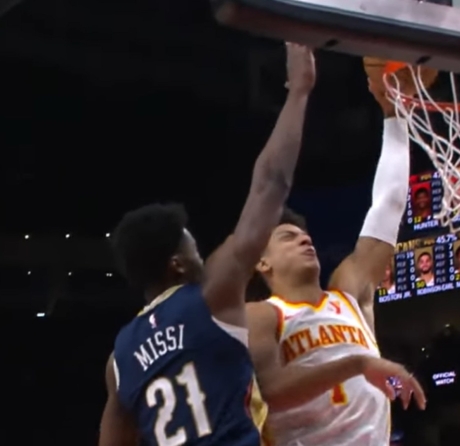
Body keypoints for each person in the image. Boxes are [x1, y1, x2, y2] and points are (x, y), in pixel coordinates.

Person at [99, 43, 316, 446]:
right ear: (178, 264)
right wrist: (299, 93)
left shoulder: (119, 361)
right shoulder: (211, 297)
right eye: (194, 249)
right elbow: (271, 184)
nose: (201, 257)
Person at [245, 69, 427, 446]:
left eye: (305, 235)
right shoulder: (263, 315)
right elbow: (271, 391)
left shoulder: (349, 293)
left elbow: (388, 206)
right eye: (288, 237)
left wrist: (395, 116)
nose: (304, 239)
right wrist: (358, 364)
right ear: (263, 262)